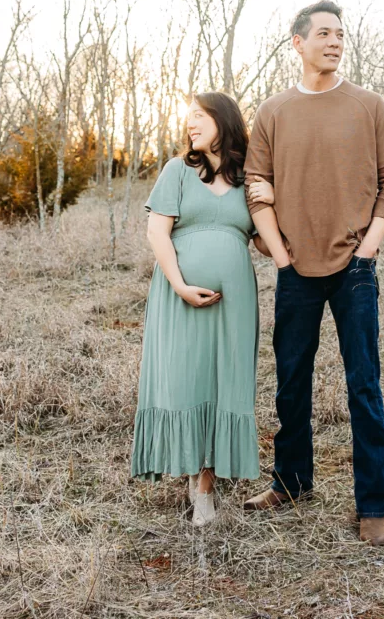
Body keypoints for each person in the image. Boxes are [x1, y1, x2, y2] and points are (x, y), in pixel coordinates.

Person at [242, 0, 384, 546]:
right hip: (295, 270)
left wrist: (369, 251)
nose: (336, 42)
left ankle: (372, 504)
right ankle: (291, 482)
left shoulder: (369, 105)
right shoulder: (272, 112)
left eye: (341, 34)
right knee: (291, 383)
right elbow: (255, 188)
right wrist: (281, 257)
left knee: (363, 385)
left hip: (354, 268)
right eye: (325, 34)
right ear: (298, 41)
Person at [130, 91, 273, 527]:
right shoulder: (177, 171)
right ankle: (191, 476)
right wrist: (180, 285)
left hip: (235, 304)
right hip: (180, 299)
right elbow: (157, 233)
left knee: (223, 384)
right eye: (187, 117)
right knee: (187, 382)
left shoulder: (248, 178)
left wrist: (271, 198)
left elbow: (266, 244)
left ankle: (205, 492)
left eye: (200, 116)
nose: (190, 124)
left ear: (224, 120)